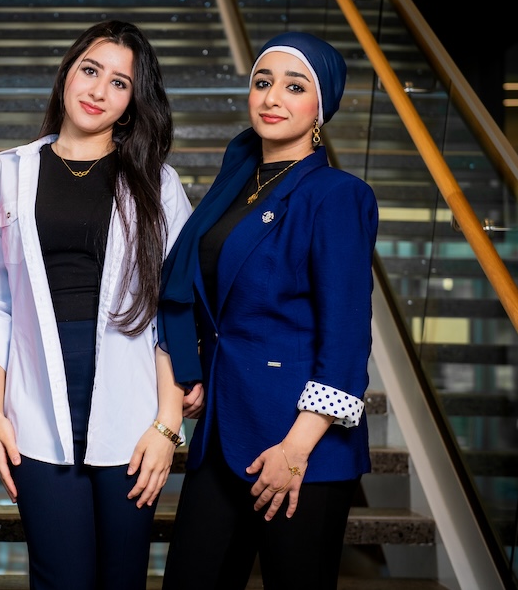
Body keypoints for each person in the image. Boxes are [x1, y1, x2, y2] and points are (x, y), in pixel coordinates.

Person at [0, 20, 192, 589]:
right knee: (60, 579)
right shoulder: (7, 173)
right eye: (91, 70)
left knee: (122, 580)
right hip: (36, 404)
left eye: (120, 83)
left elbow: (172, 306)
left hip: (132, 410)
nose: (98, 90)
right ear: (68, 71)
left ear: (133, 103)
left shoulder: (157, 183)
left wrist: (167, 425)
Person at [157, 32, 379, 589]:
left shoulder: (335, 194)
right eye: (262, 82)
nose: (272, 97)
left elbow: (346, 339)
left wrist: (297, 449)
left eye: (294, 86)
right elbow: (196, 294)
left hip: (300, 441)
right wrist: (193, 371)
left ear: (320, 107)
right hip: (223, 427)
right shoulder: (235, 188)